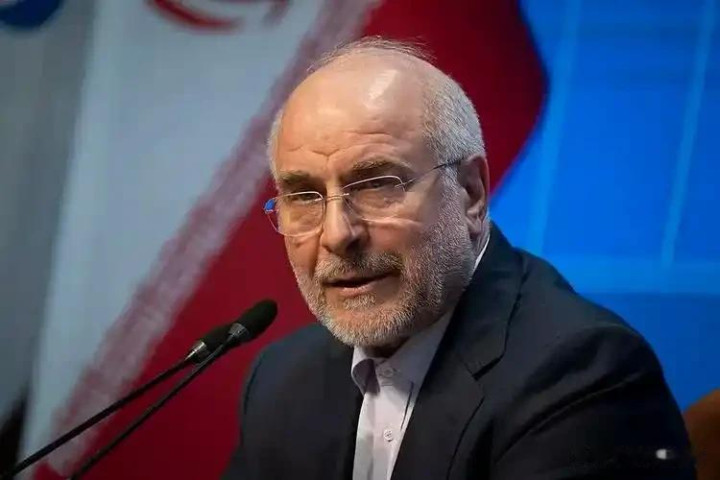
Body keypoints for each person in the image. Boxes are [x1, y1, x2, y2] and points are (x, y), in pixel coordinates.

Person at [223, 37, 694, 480]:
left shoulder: (580, 374)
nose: (337, 234)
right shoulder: (281, 378)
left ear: (470, 193)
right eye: (304, 196)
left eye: (378, 185)